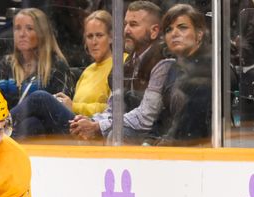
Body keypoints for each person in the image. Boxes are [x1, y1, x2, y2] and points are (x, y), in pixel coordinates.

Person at [70, 1, 172, 143]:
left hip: (151, 137)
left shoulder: (162, 62)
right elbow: (112, 109)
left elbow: (146, 117)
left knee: (117, 135)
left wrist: (98, 126)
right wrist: (91, 121)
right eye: (126, 24)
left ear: (154, 31)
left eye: (134, 24)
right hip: (122, 127)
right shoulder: (127, 62)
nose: (126, 30)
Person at [9, 10, 119, 139]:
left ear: (111, 37)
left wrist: (74, 106)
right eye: (90, 36)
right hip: (76, 123)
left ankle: (0, 123)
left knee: (40, 97)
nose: (94, 42)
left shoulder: (120, 64)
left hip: (94, 128)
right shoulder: (88, 71)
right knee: (33, 123)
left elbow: (115, 110)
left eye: (99, 35)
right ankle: (0, 145)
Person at [148, 3, 212, 145]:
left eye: (182, 27)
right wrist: (149, 141)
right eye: (169, 29)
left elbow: (191, 126)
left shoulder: (210, 68)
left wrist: (167, 144)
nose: (174, 33)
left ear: (199, 34)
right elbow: (164, 115)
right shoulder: (174, 67)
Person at [0, 7, 75, 110]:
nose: (22, 34)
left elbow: (60, 110)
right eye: (17, 28)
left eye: (29, 28)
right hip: (5, 124)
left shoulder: (57, 66)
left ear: (42, 33)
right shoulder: (4, 66)